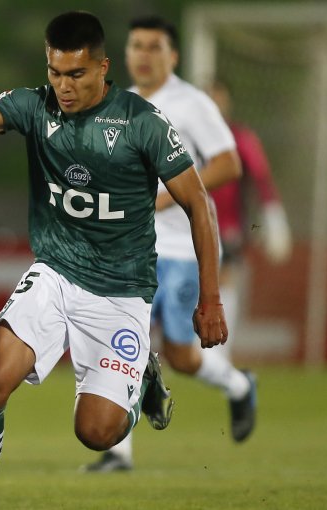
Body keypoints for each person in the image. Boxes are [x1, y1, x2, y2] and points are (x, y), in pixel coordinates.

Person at [0, 11, 227, 510]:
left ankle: (139, 381)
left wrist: (211, 299)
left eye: (75, 74)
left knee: (97, 432)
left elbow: (199, 205)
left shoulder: (142, 122)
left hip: (121, 291)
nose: (63, 85)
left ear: (102, 68)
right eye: (55, 72)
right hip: (56, 270)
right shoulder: (37, 106)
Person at [82, 15, 256, 474]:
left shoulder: (192, 103)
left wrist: (163, 197)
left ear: (172, 55)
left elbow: (228, 164)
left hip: (182, 250)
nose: (142, 54)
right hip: (131, 249)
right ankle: (118, 451)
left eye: (153, 46)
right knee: (121, 341)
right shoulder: (117, 104)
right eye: (136, 45)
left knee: (181, 355)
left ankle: (238, 385)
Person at [206, 78, 292, 355]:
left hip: (229, 224)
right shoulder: (185, 135)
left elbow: (261, 176)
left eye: (217, 98)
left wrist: (273, 216)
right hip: (189, 222)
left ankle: (219, 349)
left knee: (224, 278)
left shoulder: (239, 137)